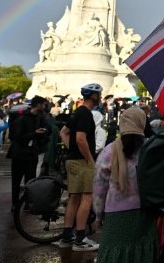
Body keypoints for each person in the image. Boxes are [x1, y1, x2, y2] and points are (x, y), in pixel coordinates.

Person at [93, 108, 158, 262]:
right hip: (146, 211)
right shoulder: (151, 148)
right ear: (142, 123)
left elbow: (99, 188)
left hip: (116, 215)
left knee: (115, 254)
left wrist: (98, 215)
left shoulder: (109, 151)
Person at [58, 83, 102, 251]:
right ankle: (80, 239)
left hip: (72, 160)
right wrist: (90, 159)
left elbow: (64, 132)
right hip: (82, 162)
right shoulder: (85, 114)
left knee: (74, 199)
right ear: (94, 96)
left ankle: (67, 237)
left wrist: (73, 151)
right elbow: (81, 139)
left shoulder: (77, 112)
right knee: (86, 198)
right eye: (99, 94)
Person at [9, 95, 49, 212]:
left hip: (32, 154)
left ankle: (27, 203)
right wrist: (35, 133)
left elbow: (46, 131)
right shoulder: (22, 118)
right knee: (16, 181)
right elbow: (17, 137)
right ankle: (15, 204)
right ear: (38, 105)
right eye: (43, 104)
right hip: (19, 154)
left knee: (30, 181)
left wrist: (43, 133)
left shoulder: (40, 118)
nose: (44, 106)